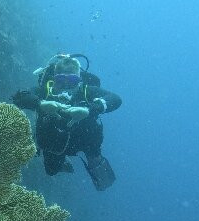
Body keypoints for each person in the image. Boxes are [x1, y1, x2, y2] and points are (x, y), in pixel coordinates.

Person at [12, 53, 122, 190]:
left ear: (79, 80)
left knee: (98, 169)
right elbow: (18, 97)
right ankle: (63, 161)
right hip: (54, 142)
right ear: (53, 79)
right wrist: (40, 104)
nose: (66, 86)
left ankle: (96, 162)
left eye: (72, 81)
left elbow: (115, 99)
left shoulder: (87, 91)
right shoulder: (46, 91)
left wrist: (89, 110)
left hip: (84, 139)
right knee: (51, 171)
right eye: (60, 81)